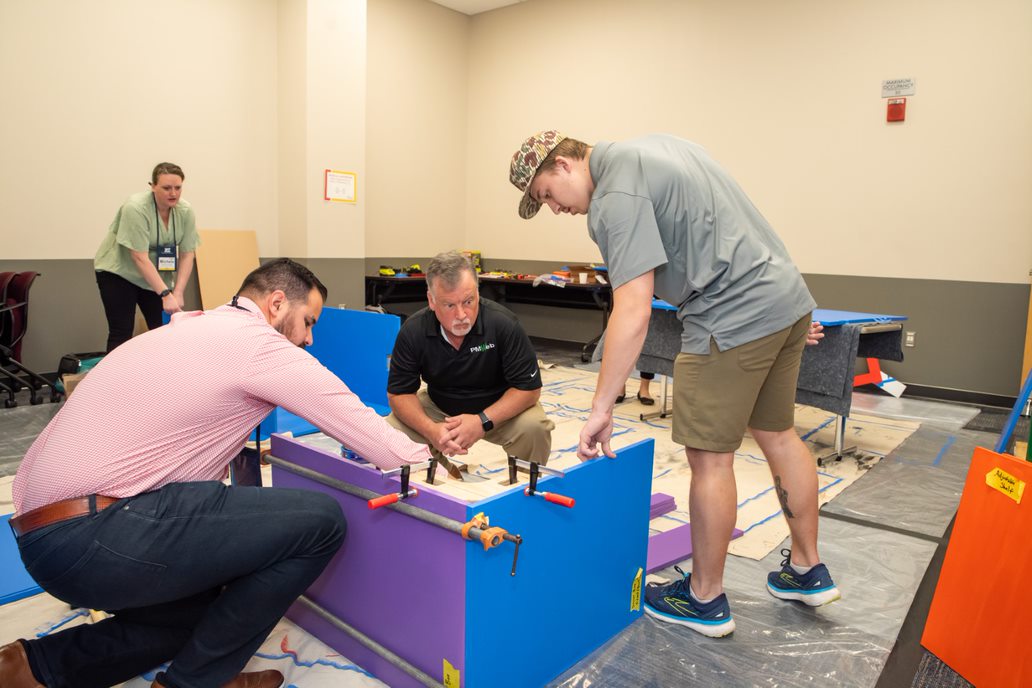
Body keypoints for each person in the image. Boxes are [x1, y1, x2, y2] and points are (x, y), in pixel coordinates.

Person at [3, 259, 432, 688]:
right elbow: (366, 430)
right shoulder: (258, 343)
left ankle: (33, 665)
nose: (308, 338)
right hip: (96, 533)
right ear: (277, 303)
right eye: (307, 322)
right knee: (320, 521)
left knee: (201, 615)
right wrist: (433, 454)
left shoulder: (188, 327)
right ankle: (195, 684)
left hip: (43, 542)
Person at [509, 131, 838, 638]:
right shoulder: (660, 146)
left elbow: (634, 309)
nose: (555, 209)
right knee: (777, 433)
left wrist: (602, 407)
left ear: (564, 165)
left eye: (547, 196)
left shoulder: (613, 197)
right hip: (785, 299)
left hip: (730, 315)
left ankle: (704, 598)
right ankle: (807, 569)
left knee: (710, 457)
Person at [386, 251, 554, 476]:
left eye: (469, 301)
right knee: (392, 430)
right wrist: (432, 430)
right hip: (439, 406)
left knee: (534, 427)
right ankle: (443, 476)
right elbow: (399, 394)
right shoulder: (413, 331)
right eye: (449, 305)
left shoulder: (503, 324)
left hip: (498, 408)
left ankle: (525, 486)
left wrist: (481, 421)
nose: (462, 314)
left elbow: (529, 389)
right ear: (431, 301)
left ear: (477, 291)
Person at [94, 162, 200, 352]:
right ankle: (115, 380)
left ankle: (160, 378)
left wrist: (178, 292)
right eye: (166, 188)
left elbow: (187, 253)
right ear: (152, 186)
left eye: (178, 188)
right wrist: (165, 294)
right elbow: (139, 257)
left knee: (163, 330)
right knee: (122, 331)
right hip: (119, 272)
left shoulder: (185, 211)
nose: (173, 193)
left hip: (153, 277)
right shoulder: (135, 208)